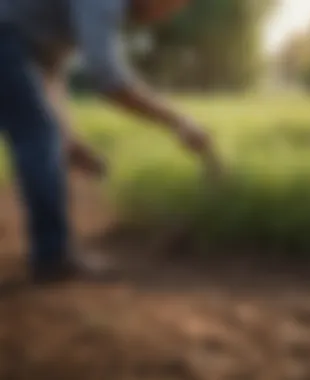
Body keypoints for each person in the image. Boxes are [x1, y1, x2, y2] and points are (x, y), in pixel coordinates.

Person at [0, 0, 218, 284]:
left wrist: (71, 141)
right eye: (173, 4)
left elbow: (50, 76)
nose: (168, 15)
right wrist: (179, 121)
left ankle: (52, 252)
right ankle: (52, 256)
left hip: (14, 44)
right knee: (40, 139)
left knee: (44, 135)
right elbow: (110, 80)